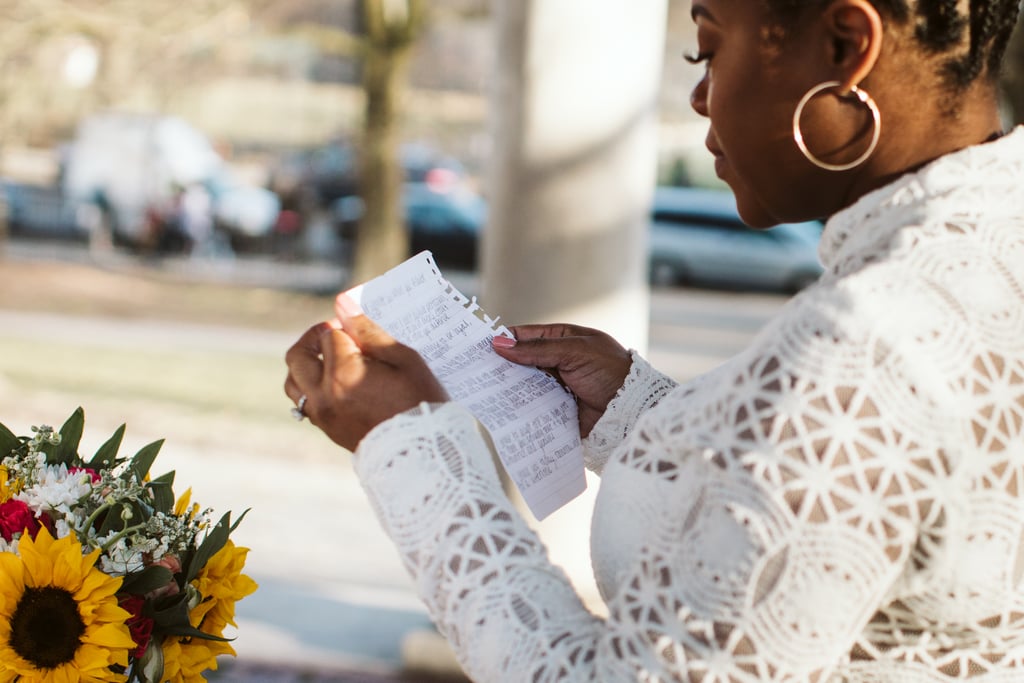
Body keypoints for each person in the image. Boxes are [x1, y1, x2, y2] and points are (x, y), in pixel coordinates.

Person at [284, 0, 1024, 679]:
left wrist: (410, 447)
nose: (699, 97)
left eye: (706, 50)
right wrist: (639, 416)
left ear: (845, 46)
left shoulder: (869, 340)